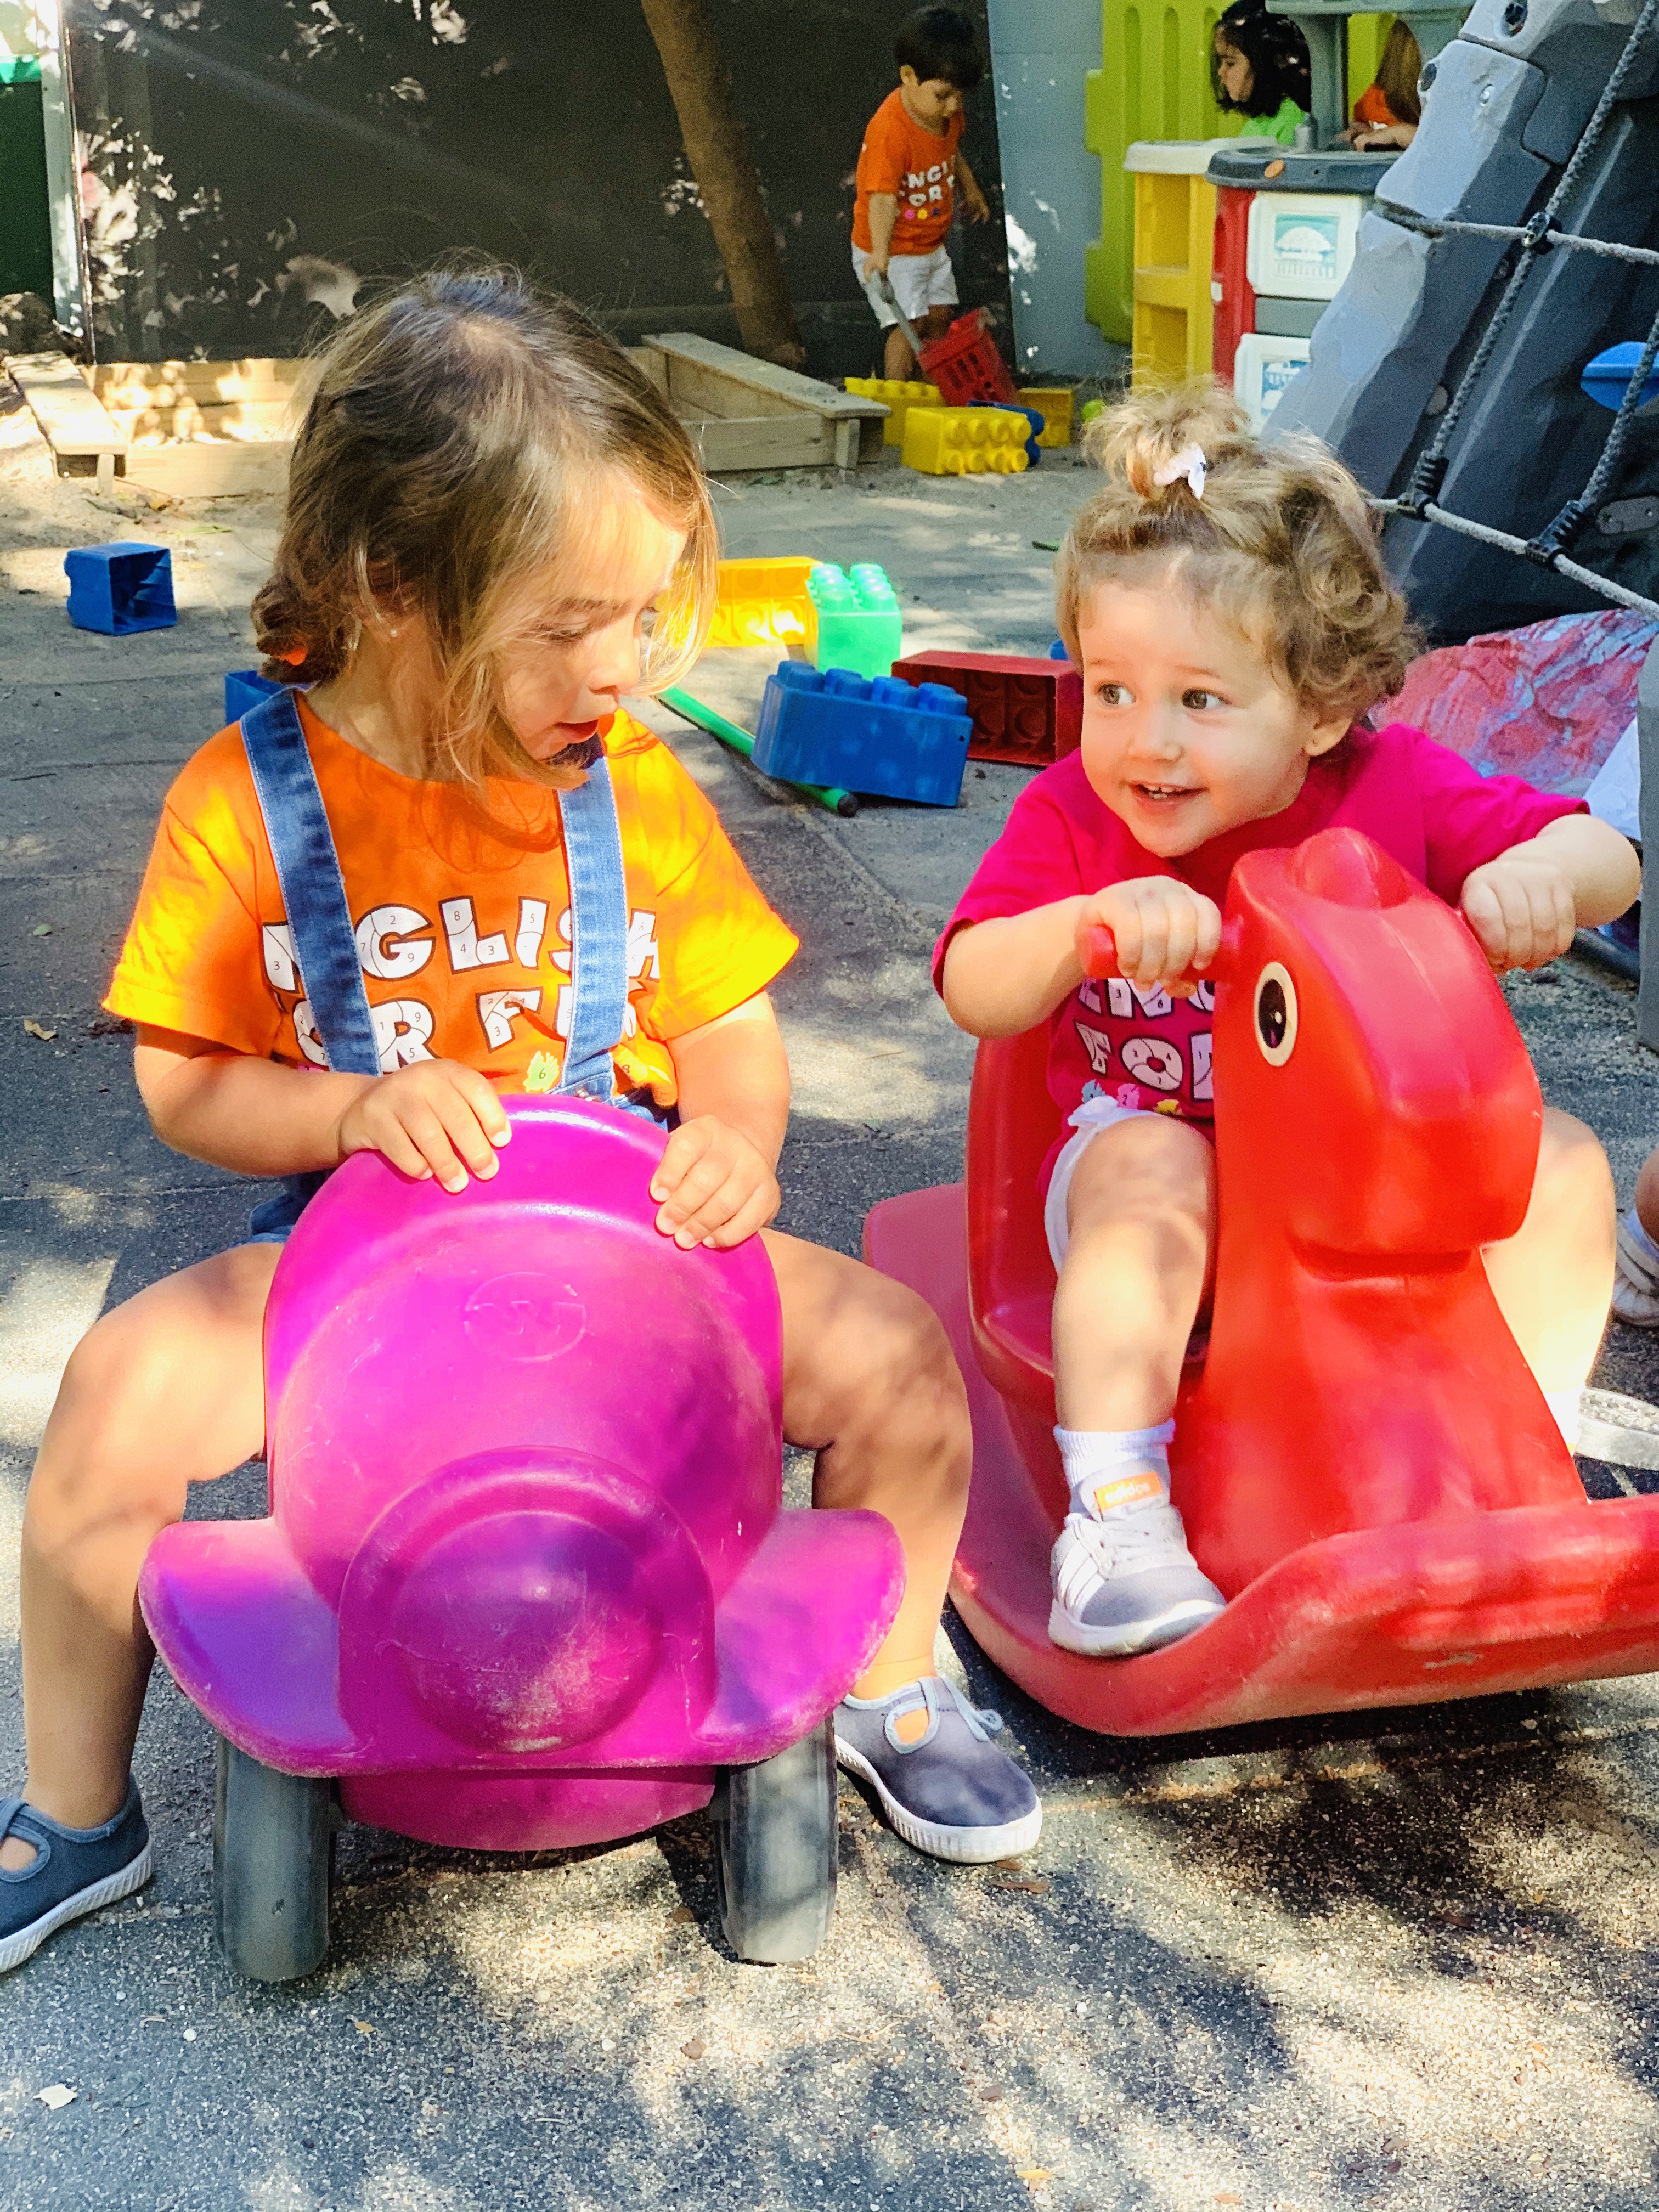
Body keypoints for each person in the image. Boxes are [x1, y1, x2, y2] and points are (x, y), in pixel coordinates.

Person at [0, 269, 1042, 1972]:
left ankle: (888, 1681)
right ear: (388, 587)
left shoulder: (628, 780)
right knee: (116, 1397)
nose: (622, 668)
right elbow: (181, 1083)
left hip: (645, 1260)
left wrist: (739, 1138)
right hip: (355, 1280)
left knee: (901, 1362)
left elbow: (726, 1026)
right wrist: (346, 1110)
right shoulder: (249, 802)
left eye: (641, 617)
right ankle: (75, 1810)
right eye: (568, 624)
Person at [935, 386, 1640, 1661]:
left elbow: (1609, 857)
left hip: (1363, 1193)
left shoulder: (1394, 784)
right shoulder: (1073, 824)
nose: (1145, 742)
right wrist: (1087, 927)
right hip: (1140, 1168)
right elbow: (978, 982)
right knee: (1159, 1165)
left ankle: (1501, 1470)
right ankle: (1116, 1510)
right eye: (1111, 690)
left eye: (1200, 701)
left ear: (1322, 709)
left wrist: (1545, 878)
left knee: (1569, 1168)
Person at [851, 4, 992, 383]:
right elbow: (880, 198)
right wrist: (880, 255)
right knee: (906, 325)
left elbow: (951, 150)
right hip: (891, 250)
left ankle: (937, 394)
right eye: (944, 95)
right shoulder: (889, 132)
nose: (954, 106)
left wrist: (972, 188)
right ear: (909, 77)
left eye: (960, 95)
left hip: (930, 244)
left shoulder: (947, 116)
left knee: (940, 317)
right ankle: (896, 405)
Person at [1210, 0, 1312, 147]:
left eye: (1231, 63)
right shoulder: (1262, 119)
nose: (1221, 72)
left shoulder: (1293, 122)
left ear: (1264, 64)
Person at [1339, 20, 1423, 151]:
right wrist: (1361, 132)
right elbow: (1361, 121)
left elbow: (1444, 141)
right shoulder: (1376, 95)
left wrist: (1399, 134)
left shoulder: (1447, 97)